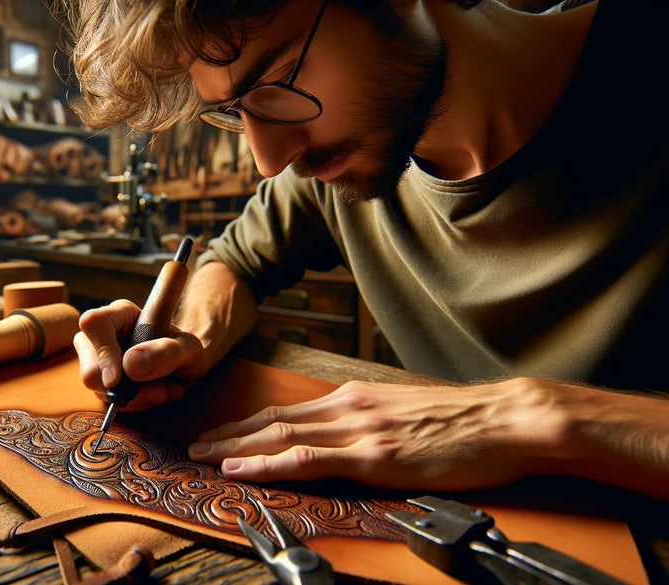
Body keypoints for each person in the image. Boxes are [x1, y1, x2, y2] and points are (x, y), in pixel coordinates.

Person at [54, 0, 669, 502]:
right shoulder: (338, 162)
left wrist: (536, 417)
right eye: (235, 112)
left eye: (275, 82)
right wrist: (187, 340)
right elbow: (232, 262)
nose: (270, 159)